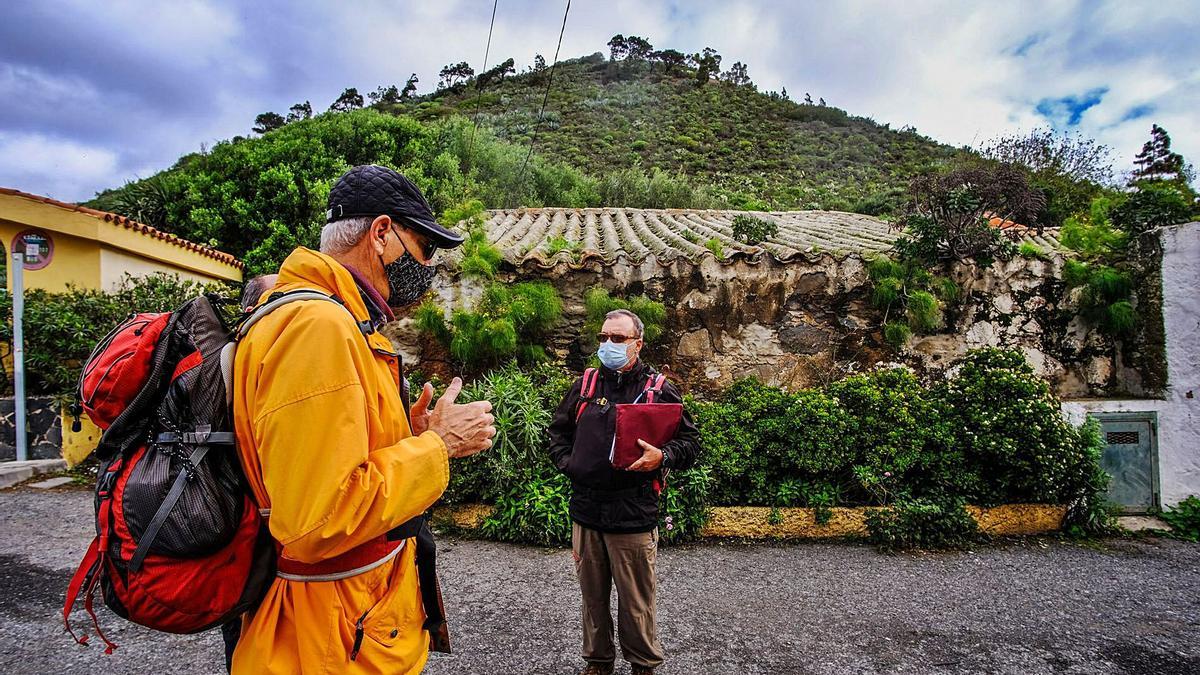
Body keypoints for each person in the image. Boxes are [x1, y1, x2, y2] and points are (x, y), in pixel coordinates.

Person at [230, 165, 496, 674]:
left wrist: (406, 435)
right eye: (423, 250)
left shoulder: (317, 315)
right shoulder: (320, 326)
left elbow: (314, 458)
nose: (427, 266)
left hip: (340, 628)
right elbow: (317, 521)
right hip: (329, 642)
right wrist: (437, 446)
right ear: (380, 234)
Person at [548, 309, 702, 675]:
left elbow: (691, 443)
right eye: (603, 338)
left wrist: (662, 456)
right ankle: (598, 662)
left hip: (633, 515)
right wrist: (570, 464)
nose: (608, 345)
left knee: (636, 602)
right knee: (593, 599)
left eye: (617, 339)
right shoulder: (584, 385)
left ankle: (643, 665)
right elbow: (557, 433)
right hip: (587, 514)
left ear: (638, 344)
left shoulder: (657, 389)